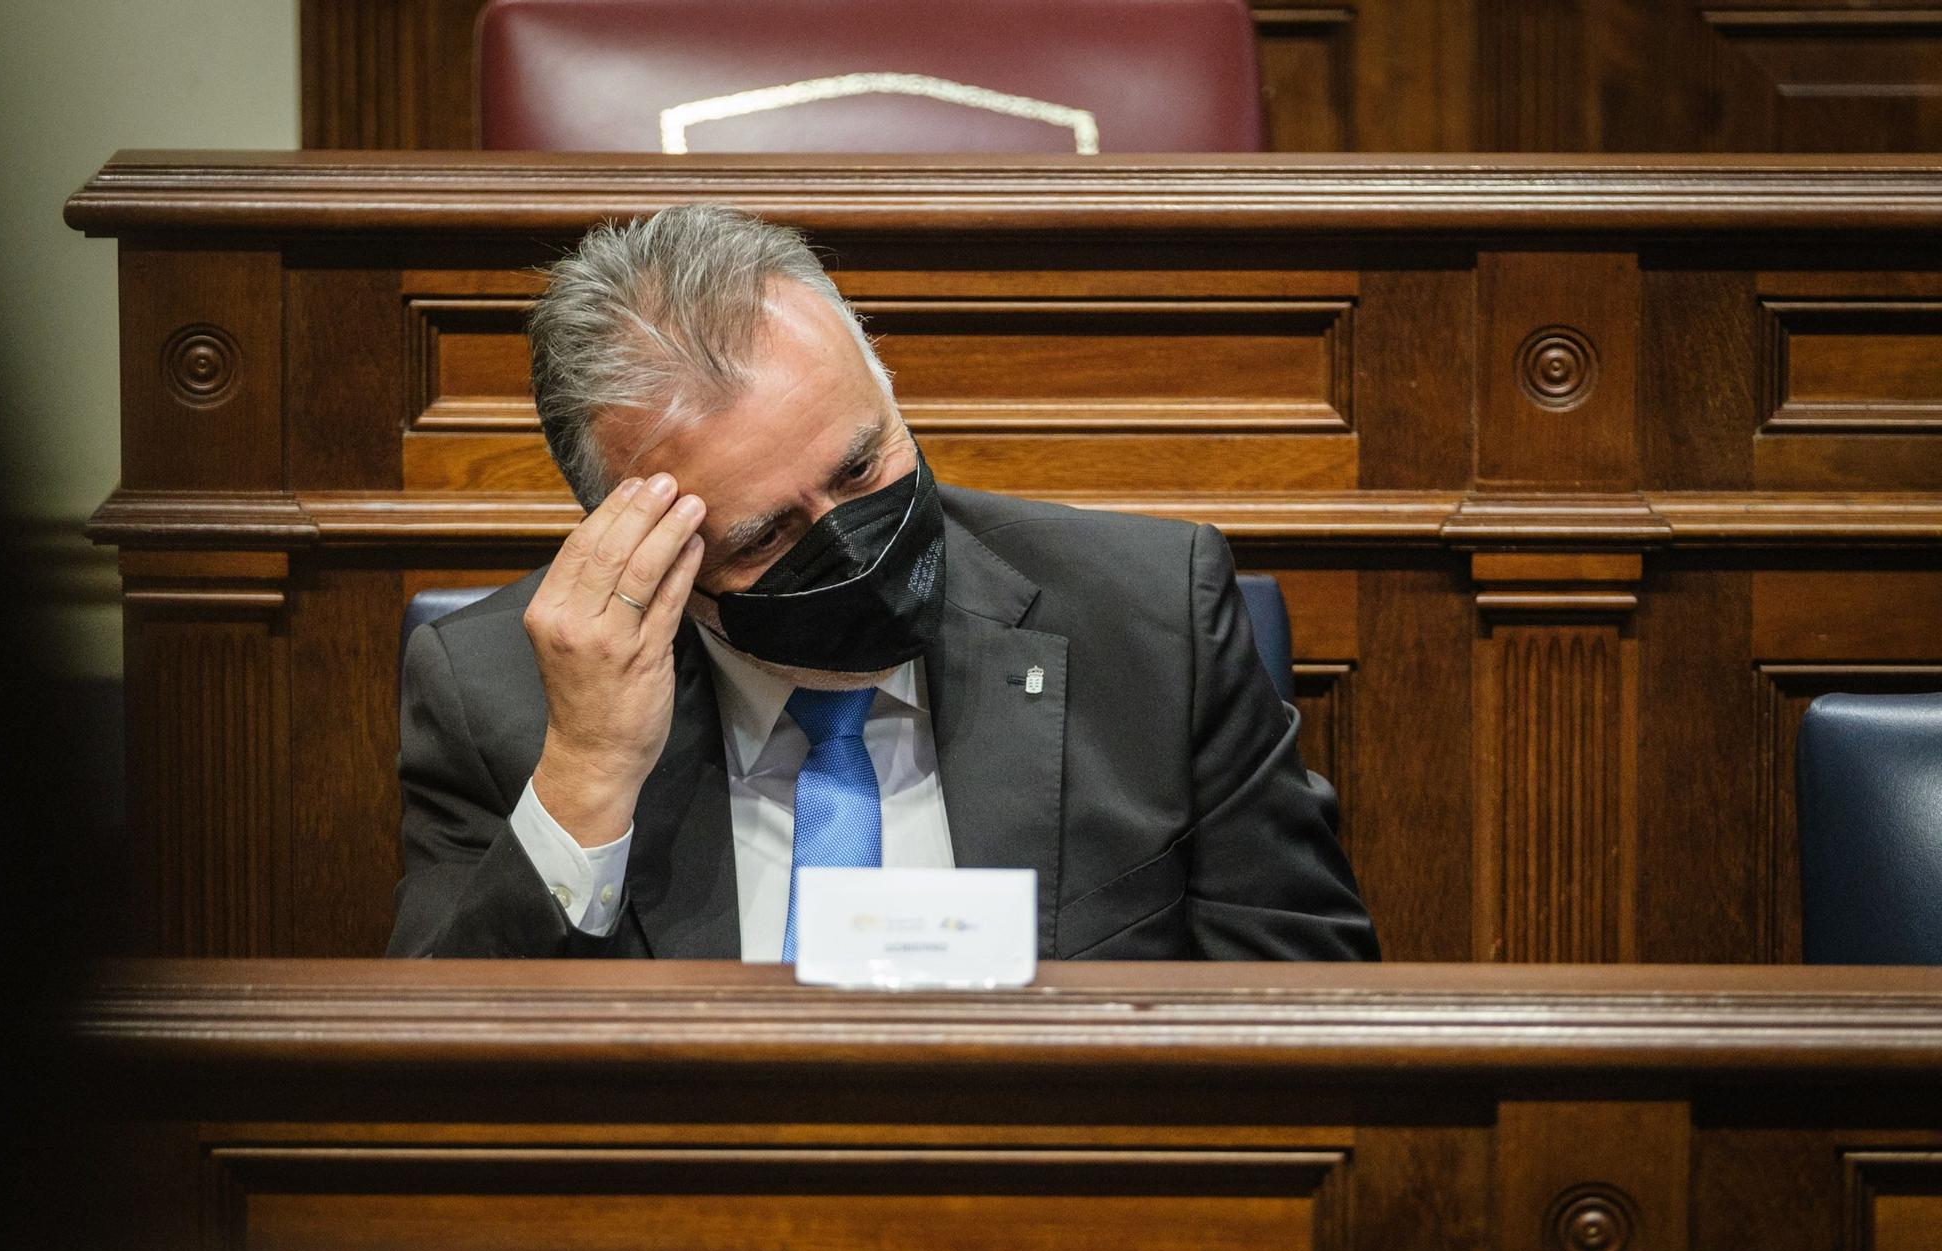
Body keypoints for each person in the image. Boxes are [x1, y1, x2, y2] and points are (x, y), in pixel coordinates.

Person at [387, 204, 1378, 962]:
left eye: (861, 469)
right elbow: (423, 1107)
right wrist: (589, 776)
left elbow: (1315, 1007)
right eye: (765, 533)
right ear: (637, 543)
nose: (851, 547)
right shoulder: (495, 696)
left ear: (886, 391)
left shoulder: (1150, 618)